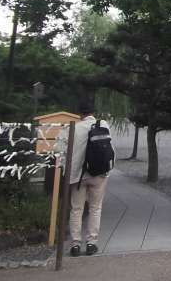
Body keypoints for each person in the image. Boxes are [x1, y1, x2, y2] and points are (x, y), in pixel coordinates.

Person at [64, 100, 112, 257]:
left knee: (76, 209)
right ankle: (92, 243)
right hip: (98, 174)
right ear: (93, 112)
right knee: (95, 208)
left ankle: (75, 245)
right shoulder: (103, 124)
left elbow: (59, 148)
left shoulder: (73, 128)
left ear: (80, 113)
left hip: (77, 176)